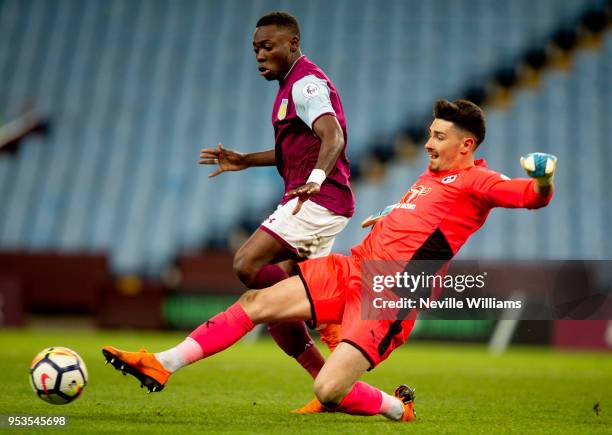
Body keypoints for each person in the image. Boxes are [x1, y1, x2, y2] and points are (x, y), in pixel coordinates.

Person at [103, 99, 557, 422]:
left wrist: (541, 180)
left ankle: (398, 407)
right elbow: (430, 216)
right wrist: (390, 215)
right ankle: (163, 362)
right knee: (257, 301)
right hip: (353, 267)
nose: (427, 144)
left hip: (389, 293)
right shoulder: (433, 175)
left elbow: (529, 198)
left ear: (466, 144)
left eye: (438, 137)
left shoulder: (480, 180)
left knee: (328, 390)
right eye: (429, 134)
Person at [197, 11, 353, 411]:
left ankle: (320, 301)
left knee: (248, 265)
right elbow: (294, 148)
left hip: (314, 199)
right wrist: (246, 159)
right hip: (312, 198)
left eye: (267, 46)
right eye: (255, 49)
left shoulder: (306, 83)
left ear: (293, 44)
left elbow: (332, 134)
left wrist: (317, 178)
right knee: (275, 310)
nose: (259, 55)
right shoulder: (290, 86)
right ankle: (333, 388)